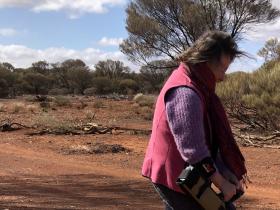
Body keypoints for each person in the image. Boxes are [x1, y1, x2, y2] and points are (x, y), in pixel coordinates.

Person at [141, 30, 248, 210]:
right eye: (224, 67)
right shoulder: (185, 92)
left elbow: (207, 140)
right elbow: (194, 151)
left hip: (189, 172)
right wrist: (221, 182)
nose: (224, 75)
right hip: (173, 174)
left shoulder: (198, 83)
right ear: (208, 60)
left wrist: (224, 170)